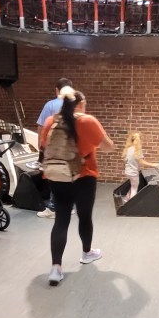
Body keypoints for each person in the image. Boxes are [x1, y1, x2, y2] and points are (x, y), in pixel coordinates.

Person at [40, 90, 115, 286]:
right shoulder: (86, 121)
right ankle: (87, 253)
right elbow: (109, 146)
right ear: (81, 104)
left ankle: (56, 268)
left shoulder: (50, 121)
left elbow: (43, 146)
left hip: (57, 176)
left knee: (61, 219)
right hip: (83, 176)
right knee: (84, 216)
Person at [35, 78, 73, 218]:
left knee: (54, 176)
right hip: (70, 149)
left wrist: (40, 145)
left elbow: (42, 126)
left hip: (54, 148)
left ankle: (53, 208)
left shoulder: (50, 105)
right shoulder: (76, 104)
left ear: (57, 90)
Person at [122, 131, 159, 202]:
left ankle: (126, 198)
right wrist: (153, 164)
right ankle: (131, 204)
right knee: (134, 188)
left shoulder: (129, 149)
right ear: (139, 140)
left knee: (132, 186)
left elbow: (128, 161)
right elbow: (141, 162)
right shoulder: (137, 150)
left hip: (128, 172)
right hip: (133, 173)